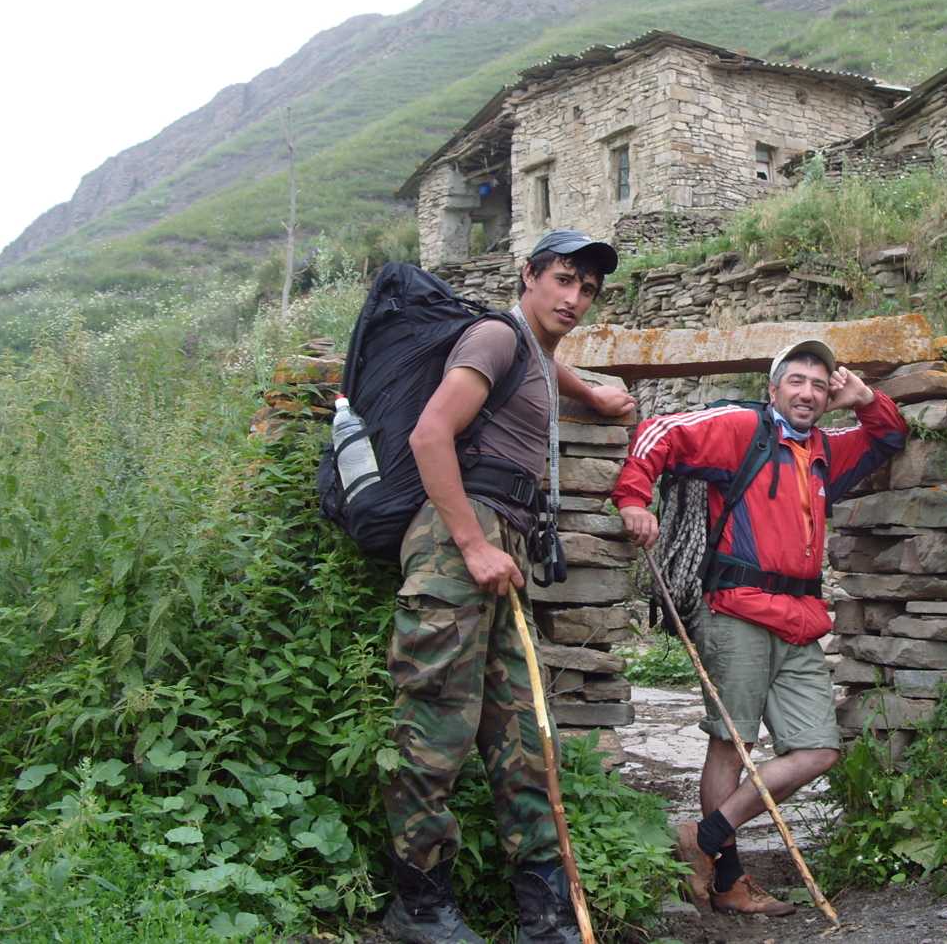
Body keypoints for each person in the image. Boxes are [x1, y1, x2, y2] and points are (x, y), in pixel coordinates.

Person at [381, 230, 635, 944]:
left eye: (587, 288)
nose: (574, 297)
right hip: (458, 540)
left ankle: (545, 913)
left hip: (504, 545)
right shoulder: (495, 336)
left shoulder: (538, 356)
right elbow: (431, 435)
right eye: (562, 279)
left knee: (523, 734)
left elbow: (553, 375)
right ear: (526, 276)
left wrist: (596, 393)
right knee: (437, 725)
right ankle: (419, 904)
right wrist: (470, 542)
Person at [613, 341, 907, 916]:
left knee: (818, 750)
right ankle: (729, 881)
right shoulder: (739, 427)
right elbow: (656, 431)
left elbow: (889, 437)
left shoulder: (826, 449)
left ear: (828, 397)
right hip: (737, 610)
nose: (807, 393)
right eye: (795, 381)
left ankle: (702, 837)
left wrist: (866, 397)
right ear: (773, 390)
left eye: (819, 386)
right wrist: (632, 498)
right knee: (732, 742)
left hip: (800, 619)